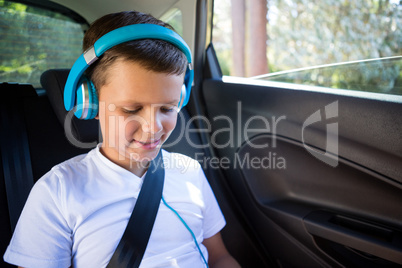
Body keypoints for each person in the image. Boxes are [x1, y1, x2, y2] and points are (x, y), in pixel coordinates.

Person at [3, 11, 240, 268]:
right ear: (90, 105)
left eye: (167, 108)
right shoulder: (58, 191)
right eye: (131, 109)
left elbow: (219, 257)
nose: (153, 128)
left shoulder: (190, 172)